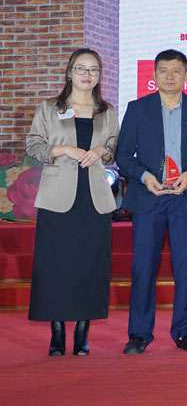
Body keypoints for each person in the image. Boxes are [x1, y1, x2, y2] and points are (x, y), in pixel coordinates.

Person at [116, 49, 187, 354]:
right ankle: (139, 334)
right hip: (149, 197)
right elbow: (123, 155)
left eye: (176, 70)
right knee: (143, 268)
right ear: (154, 75)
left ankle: (184, 331)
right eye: (163, 70)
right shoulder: (138, 108)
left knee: (185, 267)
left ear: (186, 74)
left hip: (185, 197)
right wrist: (145, 176)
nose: (170, 76)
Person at [25, 49, 118, 356]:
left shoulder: (107, 110)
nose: (87, 75)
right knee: (55, 266)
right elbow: (33, 145)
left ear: (99, 76)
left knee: (89, 266)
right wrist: (63, 149)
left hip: (94, 198)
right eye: (81, 68)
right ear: (69, 73)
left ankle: (82, 330)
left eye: (93, 70)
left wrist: (101, 152)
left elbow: (114, 147)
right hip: (57, 198)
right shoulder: (50, 107)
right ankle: (56, 331)